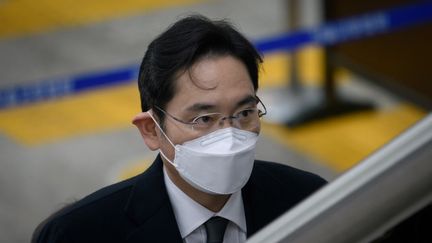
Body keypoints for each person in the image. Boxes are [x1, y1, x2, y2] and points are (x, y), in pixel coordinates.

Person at [34, 15, 326, 243]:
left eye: (244, 112)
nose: (229, 135)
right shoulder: (79, 235)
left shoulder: (310, 203)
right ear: (151, 129)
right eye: (204, 119)